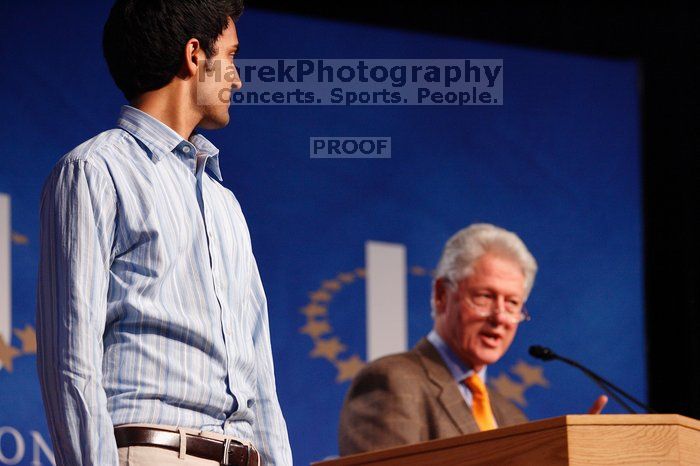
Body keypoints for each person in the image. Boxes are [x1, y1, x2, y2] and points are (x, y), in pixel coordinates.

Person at [35, 1, 292, 465]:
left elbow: (263, 382)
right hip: (154, 451)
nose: (237, 78)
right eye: (231, 56)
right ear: (195, 55)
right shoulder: (96, 170)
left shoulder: (225, 202)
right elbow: (71, 361)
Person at [338, 223, 606, 455]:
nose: (500, 317)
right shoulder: (392, 381)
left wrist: (568, 456)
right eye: (485, 297)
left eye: (513, 303)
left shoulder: (512, 418)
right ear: (442, 294)